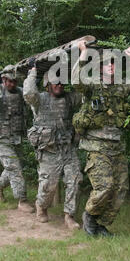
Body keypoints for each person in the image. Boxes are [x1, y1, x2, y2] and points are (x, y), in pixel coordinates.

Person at [72, 43, 130, 237]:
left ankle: (101, 224)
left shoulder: (120, 88)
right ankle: (89, 216)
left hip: (117, 147)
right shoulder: (92, 86)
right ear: (99, 67)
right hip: (97, 147)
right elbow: (75, 82)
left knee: (121, 188)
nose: (111, 67)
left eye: (113, 64)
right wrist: (83, 55)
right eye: (107, 64)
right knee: (104, 187)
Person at [23, 60, 83, 230]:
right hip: (49, 151)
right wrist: (32, 72)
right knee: (48, 185)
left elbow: (86, 93)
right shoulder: (40, 99)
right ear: (47, 85)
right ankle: (41, 207)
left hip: (67, 149)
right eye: (56, 82)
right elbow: (28, 93)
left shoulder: (69, 98)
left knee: (75, 180)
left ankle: (69, 216)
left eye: (62, 82)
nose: (60, 85)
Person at [0, 65, 33, 212]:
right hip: (2, 138)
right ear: (4, 80)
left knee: (14, 166)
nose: (13, 84)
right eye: (10, 81)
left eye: (15, 81)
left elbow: (32, 97)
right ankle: (22, 200)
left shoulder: (19, 92)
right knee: (14, 167)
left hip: (16, 137)